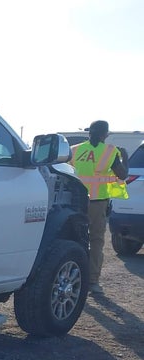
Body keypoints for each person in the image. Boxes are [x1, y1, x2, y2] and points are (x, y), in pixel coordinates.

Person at [69, 120, 129, 295]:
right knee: (95, 241)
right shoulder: (110, 152)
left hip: (75, 203)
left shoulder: (75, 150)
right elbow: (123, 174)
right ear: (106, 134)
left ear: (89, 132)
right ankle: (92, 281)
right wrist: (124, 157)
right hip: (97, 203)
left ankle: (72, 277)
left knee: (74, 240)